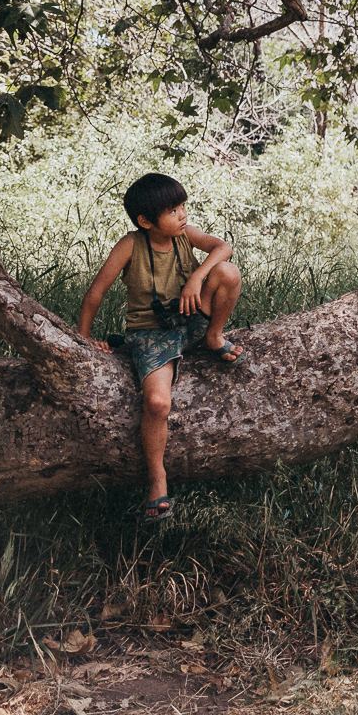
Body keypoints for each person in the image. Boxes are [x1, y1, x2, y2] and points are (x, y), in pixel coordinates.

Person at [76, 172, 244, 523]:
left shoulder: (184, 235)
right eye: (173, 210)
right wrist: (83, 341)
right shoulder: (131, 245)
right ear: (145, 221)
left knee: (227, 272)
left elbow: (223, 247)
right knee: (156, 403)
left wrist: (197, 278)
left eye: (183, 206)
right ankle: (157, 478)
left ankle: (214, 337)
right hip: (151, 332)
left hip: (193, 319)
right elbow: (95, 294)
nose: (183, 215)